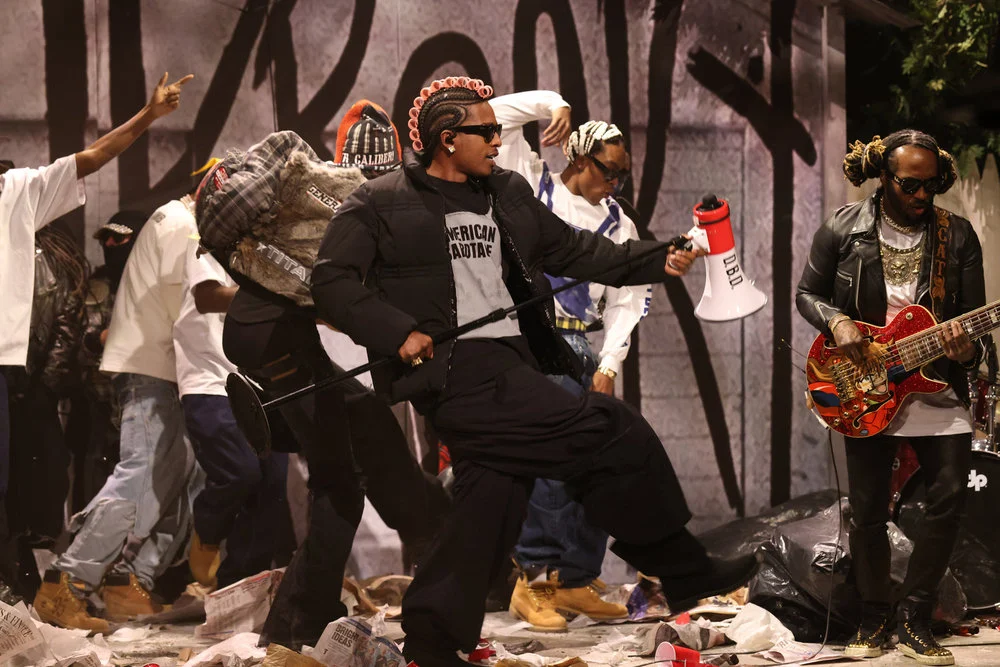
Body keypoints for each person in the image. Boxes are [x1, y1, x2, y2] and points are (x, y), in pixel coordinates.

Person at [311, 75, 757, 667]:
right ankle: (685, 569)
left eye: (499, 130)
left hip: (509, 360)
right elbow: (330, 281)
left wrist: (659, 257)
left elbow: (578, 250)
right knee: (610, 427)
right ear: (448, 139)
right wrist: (397, 331)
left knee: (490, 502)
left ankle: (432, 642)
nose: (499, 139)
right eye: (487, 131)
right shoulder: (381, 202)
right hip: (452, 371)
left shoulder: (507, 192)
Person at [203, 101, 449, 651]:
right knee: (339, 487)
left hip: (266, 337)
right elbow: (345, 305)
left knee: (368, 419)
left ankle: (419, 522)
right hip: (278, 345)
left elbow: (325, 298)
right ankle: (302, 624)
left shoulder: (328, 197)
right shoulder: (361, 209)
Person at [0, 71, 192, 600]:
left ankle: (53, 579)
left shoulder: (17, 192)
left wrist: (150, 115)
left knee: (18, 480)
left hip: (14, 369)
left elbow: (93, 157)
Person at [796, 130, 982, 666]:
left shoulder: (957, 235)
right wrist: (837, 322)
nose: (922, 196)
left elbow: (973, 324)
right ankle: (874, 617)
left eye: (931, 186)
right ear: (884, 177)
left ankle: (916, 620)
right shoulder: (843, 227)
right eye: (909, 185)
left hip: (936, 385)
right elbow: (807, 293)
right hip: (868, 386)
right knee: (869, 512)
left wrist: (966, 350)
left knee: (948, 500)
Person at [489, 90, 660, 628]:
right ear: (581, 159)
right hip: (531, 342)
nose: (617, 184)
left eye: (624, 175)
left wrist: (608, 366)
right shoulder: (530, 185)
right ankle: (534, 582)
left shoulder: (619, 224)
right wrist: (552, 103)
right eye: (611, 172)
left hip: (584, 350)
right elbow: (495, 117)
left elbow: (629, 299)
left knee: (607, 459)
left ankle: (576, 579)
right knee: (555, 460)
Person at [33, 193, 201, 633]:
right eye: (106, 240)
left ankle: (131, 579)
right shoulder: (178, 224)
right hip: (146, 374)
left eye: (118, 239)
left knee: (185, 476)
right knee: (138, 475)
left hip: (175, 373)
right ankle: (66, 582)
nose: (111, 246)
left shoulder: (182, 227)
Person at [176, 226, 289, 590]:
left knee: (272, 485)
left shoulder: (278, 248)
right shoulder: (207, 242)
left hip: (266, 381)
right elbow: (207, 297)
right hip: (211, 378)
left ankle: (240, 585)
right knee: (240, 472)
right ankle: (207, 531)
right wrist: (278, 295)